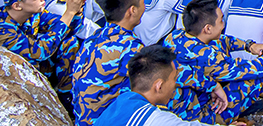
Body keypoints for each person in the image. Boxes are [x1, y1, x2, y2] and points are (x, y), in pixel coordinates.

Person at [164, 0, 263, 122]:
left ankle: (244, 104)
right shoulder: (208, 57)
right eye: (221, 20)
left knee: (219, 44)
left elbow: (224, 40)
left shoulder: (176, 36)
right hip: (205, 117)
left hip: (197, 98)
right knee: (258, 79)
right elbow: (257, 69)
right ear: (207, 28)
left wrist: (250, 46)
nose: (223, 23)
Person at [74, 0, 173, 126]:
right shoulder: (131, 48)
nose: (144, 7)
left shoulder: (93, 38)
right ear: (132, 10)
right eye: (142, 3)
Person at [0, 0, 87, 94]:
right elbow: (39, 52)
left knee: (69, 41)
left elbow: (68, 29)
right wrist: (69, 12)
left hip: (23, 67)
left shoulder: (33, 13)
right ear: (17, 6)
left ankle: (66, 95)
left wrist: (77, 9)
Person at [92, 45, 229, 126]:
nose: (175, 85)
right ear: (159, 86)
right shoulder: (153, 119)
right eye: (174, 79)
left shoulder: (123, 101)